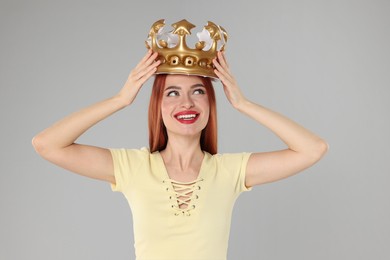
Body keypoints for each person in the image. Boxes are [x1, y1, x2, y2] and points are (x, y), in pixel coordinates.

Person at [32, 47, 328, 259]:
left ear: (211, 104)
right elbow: (47, 144)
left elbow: (313, 149)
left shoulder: (230, 171)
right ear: (157, 107)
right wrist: (120, 99)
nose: (186, 102)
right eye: (172, 93)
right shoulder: (133, 167)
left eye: (198, 91)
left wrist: (243, 103)